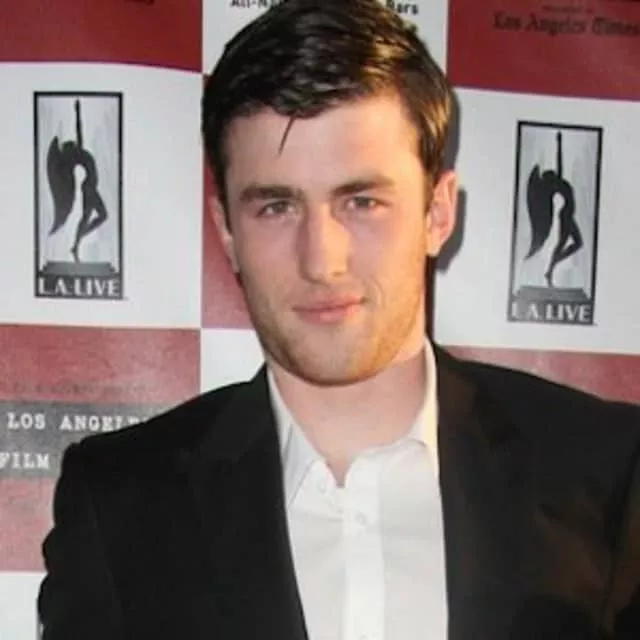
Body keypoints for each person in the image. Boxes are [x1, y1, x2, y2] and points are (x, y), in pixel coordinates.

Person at [38, 1, 640, 638]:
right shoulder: (121, 503)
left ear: (438, 212)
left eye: (362, 201)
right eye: (276, 206)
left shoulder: (604, 476)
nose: (322, 260)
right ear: (227, 231)